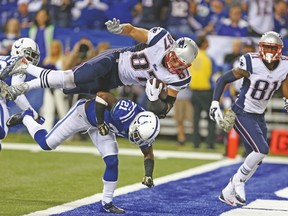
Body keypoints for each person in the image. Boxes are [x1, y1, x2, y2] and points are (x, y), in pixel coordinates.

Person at [0, 18, 199, 120]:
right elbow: (132, 31)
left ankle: (24, 71)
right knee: (71, 78)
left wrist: (155, 99)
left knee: (67, 87)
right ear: (172, 47)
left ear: (187, 66)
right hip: (114, 60)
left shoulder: (180, 78)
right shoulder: (161, 38)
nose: (173, 64)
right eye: (174, 57)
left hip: (116, 80)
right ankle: (23, 78)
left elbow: (163, 111)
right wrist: (120, 29)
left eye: (179, 64)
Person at [7, 91, 160, 214]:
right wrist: (100, 122)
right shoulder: (125, 112)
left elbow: (148, 154)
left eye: (140, 137)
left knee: (112, 161)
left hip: (102, 127)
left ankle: (107, 203)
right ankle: (26, 117)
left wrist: (148, 174)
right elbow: (102, 96)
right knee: (46, 144)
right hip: (83, 114)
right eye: (137, 134)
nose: (135, 138)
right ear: (138, 123)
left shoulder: (145, 130)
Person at [209, 31, 288, 207]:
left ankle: (227, 191)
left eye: (272, 47)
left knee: (257, 159)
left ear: (279, 50)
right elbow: (223, 79)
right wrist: (215, 102)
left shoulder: (285, 65)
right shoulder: (251, 61)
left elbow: (284, 82)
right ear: (260, 47)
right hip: (242, 112)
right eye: (265, 46)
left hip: (259, 114)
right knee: (262, 149)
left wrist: (286, 101)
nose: (268, 51)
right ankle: (238, 181)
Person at [0, 37, 44, 151]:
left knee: (2, 132)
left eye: (34, 56)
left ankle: (24, 116)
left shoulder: (7, 59)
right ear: (19, 51)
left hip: (1, 99)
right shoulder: (19, 62)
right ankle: (25, 116)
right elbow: (16, 93)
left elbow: (13, 92)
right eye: (30, 54)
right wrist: (34, 115)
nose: (32, 59)